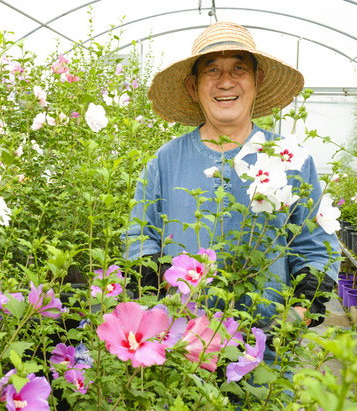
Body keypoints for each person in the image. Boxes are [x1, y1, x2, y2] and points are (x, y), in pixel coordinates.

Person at [122, 21, 339, 330]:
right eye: (212, 70)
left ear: (257, 80)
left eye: (239, 69)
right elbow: (139, 239)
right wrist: (161, 305)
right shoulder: (165, 160)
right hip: (182, 347)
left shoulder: (291, 159)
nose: (226, 82)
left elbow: (317, 247)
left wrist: (292, 320)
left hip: (264, 350)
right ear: (192, 87)